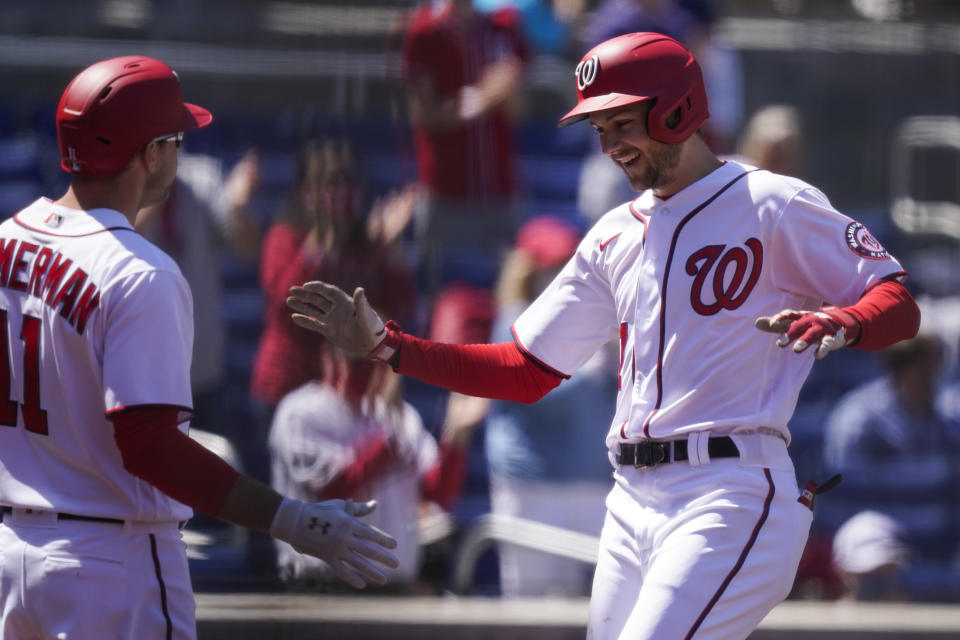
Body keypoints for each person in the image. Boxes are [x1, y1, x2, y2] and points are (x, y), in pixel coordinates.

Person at [286, 33, 920, 639]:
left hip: (727, 492)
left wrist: (846, 319)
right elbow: (525, 369)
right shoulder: (613, 233)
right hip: (629, 500)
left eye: (623, 122)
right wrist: (390, 347)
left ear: (676, 109)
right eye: (599, 129)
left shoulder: (771, 202)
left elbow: (896, 299)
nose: (610, 143)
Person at [0, 57, 398, 640]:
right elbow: (151, 447)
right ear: (150, 153)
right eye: (176, 139)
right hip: (110, 562)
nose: (179, 154)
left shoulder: (6, 240)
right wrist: (291, 518)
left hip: (11, 550)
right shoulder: (141, 272)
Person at [250, 138, 416, 478]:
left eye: (343, 181)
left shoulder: (368, 245)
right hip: (286, 390)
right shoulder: (285, 239)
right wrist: (321, 242)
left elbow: (401, 312)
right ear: (304, 190)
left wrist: (391, 248)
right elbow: (287, 302)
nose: (335, 193)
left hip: (344, 398)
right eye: (324, 183)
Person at [484, 215, 617, 597]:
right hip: (532, 487)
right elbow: (532, 390)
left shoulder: (597, 316)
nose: (562, 273)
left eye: (567, 263)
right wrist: (595, 367)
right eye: (551, 265)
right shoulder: (512, 321)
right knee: (530, 608)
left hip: (593, 484)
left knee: (595, 609)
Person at [269, 349, 477, 592]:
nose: (368, 371)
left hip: (392, 583)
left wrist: (456, 435)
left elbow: (438, 491)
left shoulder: (402, 417)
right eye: (358, 360)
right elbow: (330, 490)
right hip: (324, 585)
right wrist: (387, 440)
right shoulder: (302, 412)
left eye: (377, 363)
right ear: (330, 357)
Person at [400, 0, 530, 299]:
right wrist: (480, 99)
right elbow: (424, 114)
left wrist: (504, 90)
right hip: (447, 195)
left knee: (511, 304)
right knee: (446, 305)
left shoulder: (505, 24)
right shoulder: (424, 29)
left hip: (503, 192)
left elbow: (518, 110)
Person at [136, 148, 261, 432]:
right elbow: (119, 239)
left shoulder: (203, 176)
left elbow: (247, 249)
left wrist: (241, 208)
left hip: (200, 370)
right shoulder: (123, 180)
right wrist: (160, 187)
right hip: (142, 373)